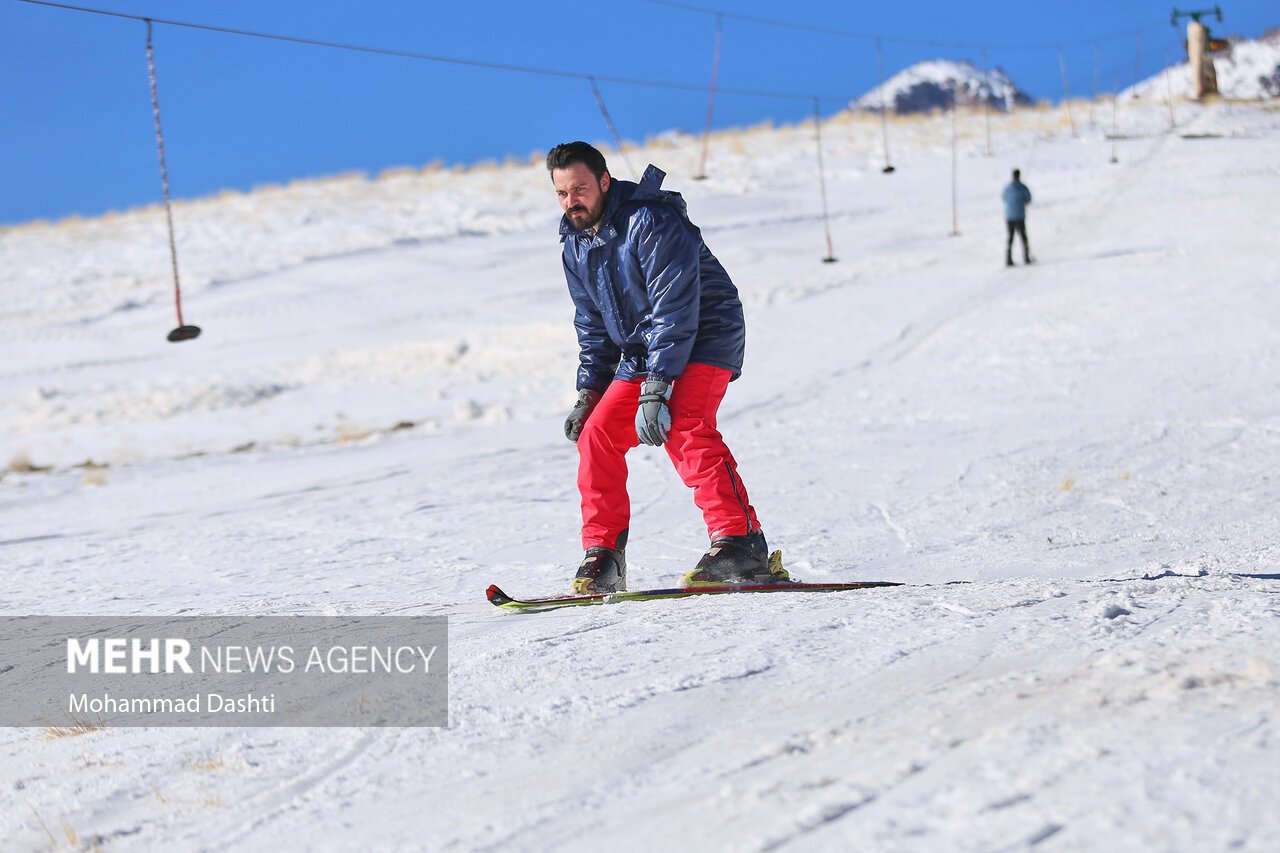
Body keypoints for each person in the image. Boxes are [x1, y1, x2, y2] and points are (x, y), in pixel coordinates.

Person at [547, 141, 785, 593]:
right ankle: (604, 555)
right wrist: (589, 394)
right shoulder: (575, 246)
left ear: (603, 181)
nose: (571, 200)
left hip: (705, 333)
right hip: (646, 352)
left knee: (685, 422)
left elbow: (674, 308)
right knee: (597, 434)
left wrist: (657, 390)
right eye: (561, 193)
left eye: (579, 188)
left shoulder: (650, 221)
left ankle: (741, 544)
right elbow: (592, 326)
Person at [1002, 168, 1033, 266]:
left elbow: (1004, 198)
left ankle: (1008, 258)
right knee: (1023, 237)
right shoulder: (1022, 187)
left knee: (1010, 238)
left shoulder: (1007, 188)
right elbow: (1028, 199)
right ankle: (1026, 257)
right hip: (1019, 216)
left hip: (1009, 216)